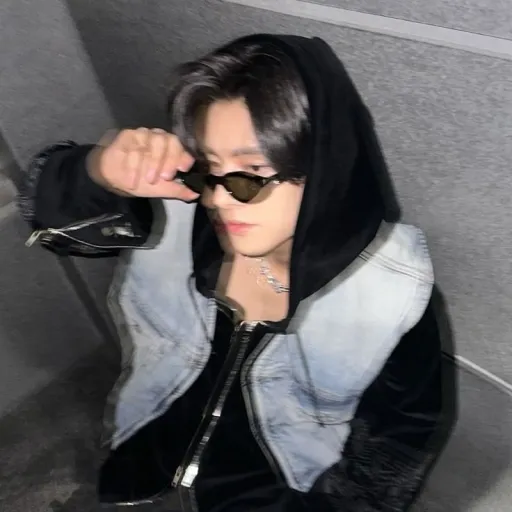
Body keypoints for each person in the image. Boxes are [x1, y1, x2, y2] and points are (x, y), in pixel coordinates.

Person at [19, 34, 450, 511]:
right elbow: (51, 226)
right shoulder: (179, 213)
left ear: (325, 169)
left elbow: (396, 446)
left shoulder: (392, 293)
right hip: (142, 459)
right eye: (210, 168)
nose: (218, 198)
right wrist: (97, 171)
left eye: (250, 174)